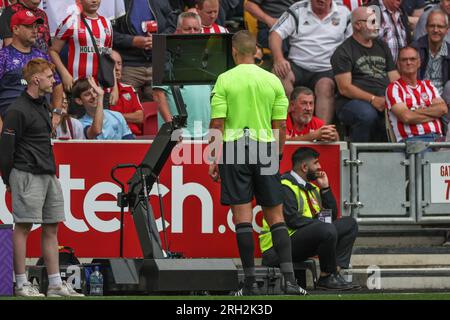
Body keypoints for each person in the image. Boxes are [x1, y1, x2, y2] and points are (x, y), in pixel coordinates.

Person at [208, 30, 307, 296]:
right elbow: (280, 126)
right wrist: (277, 154)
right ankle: (290, 282)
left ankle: (250, 284)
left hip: (235, 147)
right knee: (276, 216)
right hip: (265, 148)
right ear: (255, 52)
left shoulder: (224, 79)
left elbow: (217, 123)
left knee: (241, 216)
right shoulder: (272, 81)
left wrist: (213, 157)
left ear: (233, 52)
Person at [0, 58, 84, 297]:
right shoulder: (17, 110)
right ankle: (21, 283)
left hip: (48, 173)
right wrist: (9, 180)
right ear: (36, 79)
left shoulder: (43, 104)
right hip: (25, 173)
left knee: (51, 227)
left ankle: (56, 284)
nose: (53, 80)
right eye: (49, 76)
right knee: (23, 227)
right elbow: (6, 150)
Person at [259, 147, 360, 291]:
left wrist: (325, 188)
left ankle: (333, 273)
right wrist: (321, 224)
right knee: (326, 228)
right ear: (305, 167)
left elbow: (330, 217)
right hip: (277, 249)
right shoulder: (284, 185)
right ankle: (325, 277)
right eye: (316, 163)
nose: (319, 167)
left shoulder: (312, 188)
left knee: (349, 224)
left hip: (300, 241)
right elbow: (293, 220)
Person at [269, 0, 352, 124]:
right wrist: (279, 59)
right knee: (281, 76)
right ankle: (288, 129)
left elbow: (352, 43)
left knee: (326, 87)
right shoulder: (297, 9)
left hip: (327, 68)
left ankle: (321, 133)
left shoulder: (344, 13)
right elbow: (275, 33)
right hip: (297, 65)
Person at [331, 6, 399, 142]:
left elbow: (394, 77)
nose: (377, 26)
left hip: (383, 98)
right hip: (351, 102)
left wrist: (401, 97)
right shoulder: (343, 51)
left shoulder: (382, 46)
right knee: (367, 114)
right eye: (372, 22)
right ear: (357, 25)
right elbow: (345, 88)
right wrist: (373, 99)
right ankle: (358, 158)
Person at [0, 9, 63, 132]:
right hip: (11, 123)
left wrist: (56, 113)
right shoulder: (3, 56)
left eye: (36, 26)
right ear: (16, 29)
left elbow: (57, 84)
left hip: (39, 122)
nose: (35, 31)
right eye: (29, 27)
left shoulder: (42, 56)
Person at [153, 12, 211, 139]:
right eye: (187, 29)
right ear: (177, 32)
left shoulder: (208, 59)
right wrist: (172, 129)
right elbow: (158, 95)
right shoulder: (162, 56)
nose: (192, 32)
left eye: (196, 29)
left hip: (205, 133)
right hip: (176, 136)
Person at [113, 0, 177, 102]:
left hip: (156, 64)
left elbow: (173, 24)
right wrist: (132, 41)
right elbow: (110, 32)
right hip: (129, 65)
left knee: (160, 111)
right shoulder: (118, 2)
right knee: (128, 108)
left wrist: (158, 39)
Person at [386, 46, 448, 142]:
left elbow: (443, 109)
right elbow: (406, 117)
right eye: (404, 60)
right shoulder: (394, 88)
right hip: (413, 141)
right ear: (398, 64)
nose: (408, 62)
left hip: (438, 139)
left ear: (419, 63)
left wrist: (414, 111)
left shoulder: (428, 85)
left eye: (412, 59)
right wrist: (433, 113)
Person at [49, 0, 113, 93]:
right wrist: (64, 74)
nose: (94, 1)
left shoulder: (107, 23)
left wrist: (114, 87)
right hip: (78, 87)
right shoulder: (71, 21)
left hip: (102, 88)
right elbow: (53, 50)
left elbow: (108, 57)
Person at [109, 50, 144, 136]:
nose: (117, 68)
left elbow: (140, 117)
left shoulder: (129, 89)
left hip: (134, 136)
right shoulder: (100, 91)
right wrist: (129, 117)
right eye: (113, 63)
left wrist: (117, 116)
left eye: (119, 64)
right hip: (113, 138)